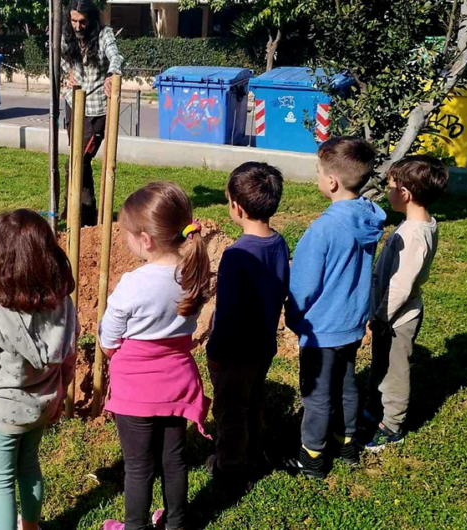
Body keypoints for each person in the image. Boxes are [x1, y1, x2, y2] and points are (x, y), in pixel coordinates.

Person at [0, 208, 78, 530]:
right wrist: (61, 390)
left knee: (0, 478)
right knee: (29, 466)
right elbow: (68, 354)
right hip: (43, 405)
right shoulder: (62, 302)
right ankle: (31, 526)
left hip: (4, 416)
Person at [98, 181, 213, 530]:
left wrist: (113, 349)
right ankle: (177, 523)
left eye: (127, 234)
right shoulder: (193, 273)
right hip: (178, 384)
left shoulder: (134, 283)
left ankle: (135, 527)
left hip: (135, 392)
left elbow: (108, 338)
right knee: (174, 460)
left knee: (138, 467)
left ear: (145, 240)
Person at [284, 137, 386, 479]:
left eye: (317, 171)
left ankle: (311, 458)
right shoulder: (369, 218)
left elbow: (304, 285)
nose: (317, 176)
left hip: (322, 330)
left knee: (317, 396)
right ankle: (346, 445)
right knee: (346, 386)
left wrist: (294, 317)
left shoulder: (323, 230)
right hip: (353, 325)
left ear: (331, 181)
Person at [205, 162, 290, 490]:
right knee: (253, 398)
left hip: (234, 352)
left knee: (230, 411)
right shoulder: (279, 243)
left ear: (236, 207)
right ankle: (254, 446)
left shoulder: (236, 256)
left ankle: (230, 467)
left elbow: (227, 314)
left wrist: (215, 351)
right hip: (263, 344)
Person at [363, 156, 448, 451]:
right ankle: (374, 408)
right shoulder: (417, 224)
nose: (388, 191)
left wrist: (382, 316)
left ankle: (391, 425)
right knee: (381, 364)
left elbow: (401, 284)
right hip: (391, 313)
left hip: (398, 316)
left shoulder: (414, 235)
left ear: (405, 194)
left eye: (390, 186)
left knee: (395, 371)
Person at [61, 0, 123, 227]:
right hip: (73, 102)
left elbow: (116, 57)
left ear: (92, 20)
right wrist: (67, 73)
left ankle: (80, 214)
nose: (77, 26)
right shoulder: (67, 34)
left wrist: (111, 74)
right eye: (73, 20)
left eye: (82, 21)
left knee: (78, 160)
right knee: (77, 161)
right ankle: (79, 212)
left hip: (96, 109)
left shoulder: (104, 34)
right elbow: (59, 57)